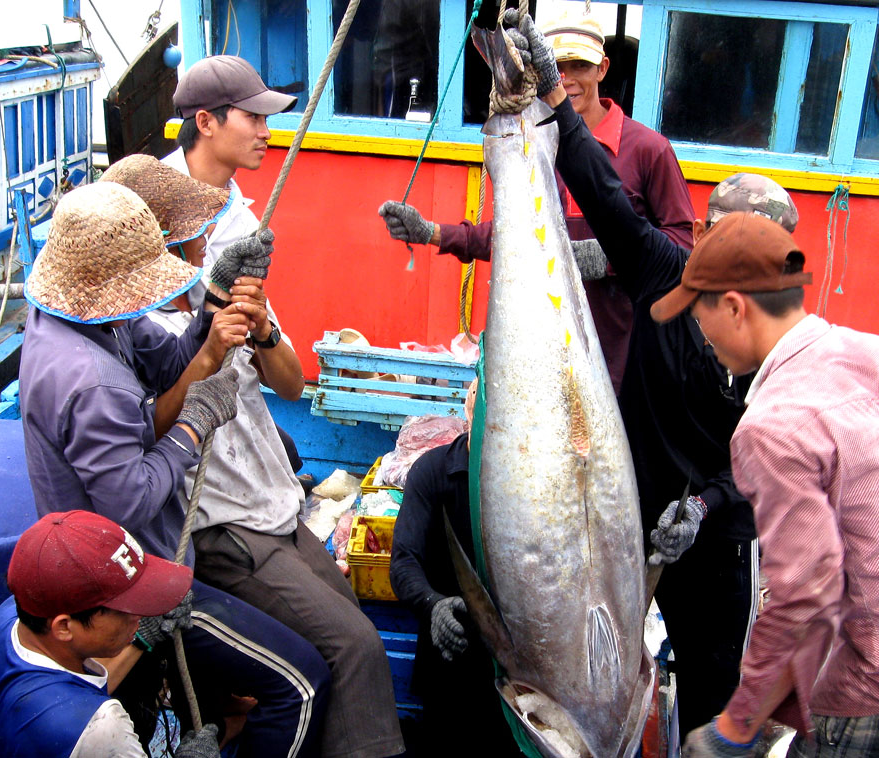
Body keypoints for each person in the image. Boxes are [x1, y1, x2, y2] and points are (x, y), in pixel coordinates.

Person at [503, 13, 803, 736]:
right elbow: (605, 195)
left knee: (713, 695)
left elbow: (767, 469)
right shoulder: (664, 273)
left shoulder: (787, 349)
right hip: (622, 513)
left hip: (715, 534)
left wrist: (702, 508)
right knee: (583, 678)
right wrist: (555, 97)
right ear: (702, 236)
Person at [18, 181, 332, 758]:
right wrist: (192, 426)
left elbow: (166, 363)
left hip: (139, 567)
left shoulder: (84, 318)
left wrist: (213, 302)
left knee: (220, 699)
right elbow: (130, 502)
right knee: (301, 683)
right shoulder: (92, 382)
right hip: (127, 587)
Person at [163, 55, 405, 758]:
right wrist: (208, 313)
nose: (269, 129)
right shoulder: (151, 216)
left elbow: (293, 385)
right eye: (254, 116)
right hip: (216, 510)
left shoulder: (240, 218)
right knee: (354, 646)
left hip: (267, 490)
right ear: (206, 123)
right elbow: (157, 380)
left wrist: (264, 329)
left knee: (351, 618)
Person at [648, 214, 879, 758]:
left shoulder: (771, 425)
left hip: (860, 690)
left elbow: (806, 595)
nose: (700, 337)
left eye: (698, 315)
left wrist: (736, 725)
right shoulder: (863, 351)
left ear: (734, 307)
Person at [378, 10, 695, 394]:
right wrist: (431, 232)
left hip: (627, 358)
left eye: (580, 66)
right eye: (557, 68)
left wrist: (609, 258)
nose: (567, 78)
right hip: (548, 352)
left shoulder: (649, 150)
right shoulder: (539, 146)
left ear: (603, 69)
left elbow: (683, 248)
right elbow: (515, 237)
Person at [0, 509, 221, 758]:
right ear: (64, 627)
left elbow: (66, 695)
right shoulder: (101, 725)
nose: (140, 615)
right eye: (124, 609)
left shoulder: (9, 617)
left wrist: (141, 638)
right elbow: (84, 721)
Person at [389, 382, 523, 757]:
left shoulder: (529, 484)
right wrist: (433, 605)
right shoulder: (431, 472)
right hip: (451, 654)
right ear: (468, 409)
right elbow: (404, 560)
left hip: (517, 668)